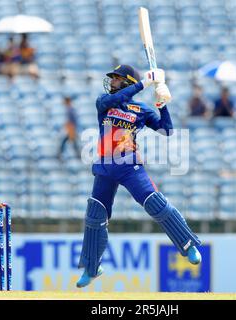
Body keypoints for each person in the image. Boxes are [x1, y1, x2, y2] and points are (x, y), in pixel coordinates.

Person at [76, 64, 202, 288]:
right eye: (112, 79)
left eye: (116, 79)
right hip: (105, 164)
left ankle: (187, 244)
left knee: (155, 203)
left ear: (126, 82)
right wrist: (145, 82)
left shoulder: (140, 109)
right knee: (95, 215)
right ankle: (92, 267)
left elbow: (166, 130)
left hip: (128, 164)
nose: (111, 82)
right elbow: (117, 98)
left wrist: (163, 105)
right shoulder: (104, 102)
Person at [58, 96, 81, 160]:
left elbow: (72, 120)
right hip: (71, 127)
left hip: (71, 127)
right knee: (71, 141)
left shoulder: (70, 109)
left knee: (68, 141)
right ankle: (78, 155)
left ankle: (60, 154)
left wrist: (71, 127)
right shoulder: (70, 109)